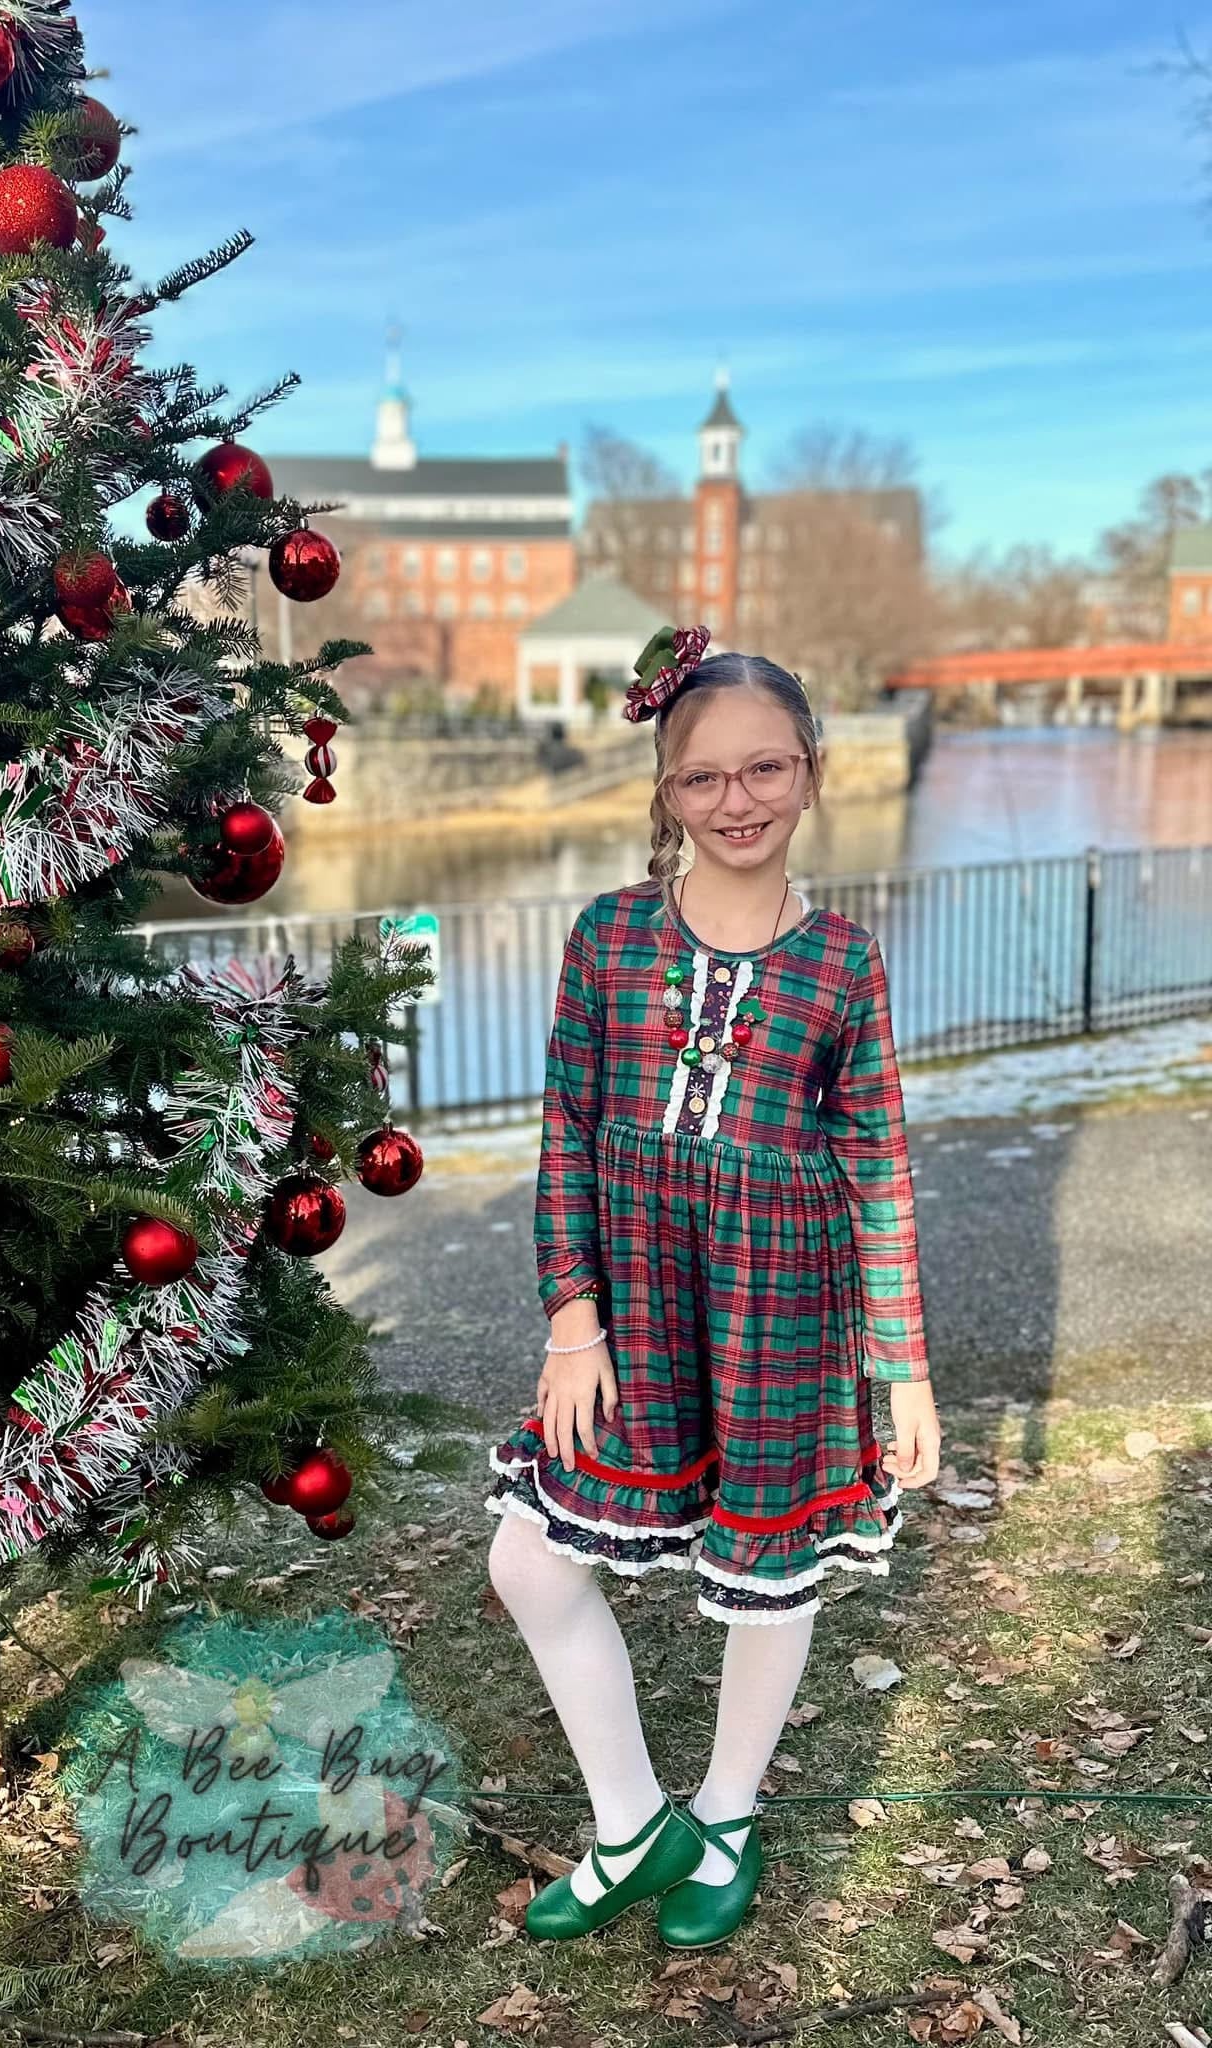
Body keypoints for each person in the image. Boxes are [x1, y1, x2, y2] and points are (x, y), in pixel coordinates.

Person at [482, 626, 942, 1951]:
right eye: (703, 778)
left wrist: (901, 1364)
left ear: (809, 774)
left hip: (785, 1301)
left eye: (766, 769)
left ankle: (726, 1814)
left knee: (772, 1567)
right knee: (531, 1559)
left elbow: (877, 1161)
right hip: (635, 1300)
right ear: (665, 792)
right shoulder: (608, 937)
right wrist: (574, 1318)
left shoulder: (844, 960)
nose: (736, 801)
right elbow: (566, 1124)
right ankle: (636, 1826)